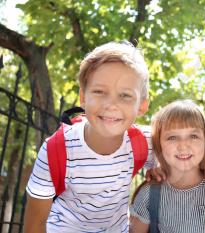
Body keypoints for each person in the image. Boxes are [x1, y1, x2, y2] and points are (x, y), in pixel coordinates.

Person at [24, 41, 154, 232]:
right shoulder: (56, 150)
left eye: (125, 95)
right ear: (83, 97)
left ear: (142, 106)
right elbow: (35, 224)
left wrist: (163, 169)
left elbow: (187, 164)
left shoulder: (145, 143)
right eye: (99, 92)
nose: (111, 104)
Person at [129, 99, 205, 233]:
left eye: (193, 136)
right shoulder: (149, 195)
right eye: (172, 137)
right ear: (159, 144)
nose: (183, 145)